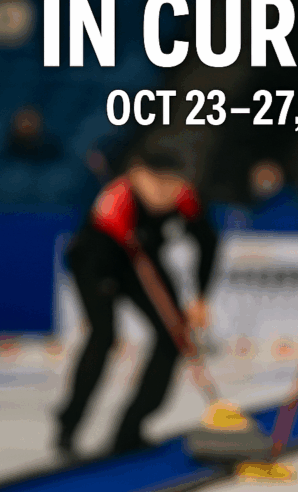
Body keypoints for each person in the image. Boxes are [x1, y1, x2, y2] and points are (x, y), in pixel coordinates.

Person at [55, 149, 218, 456]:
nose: (163, 192)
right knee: (104, 335)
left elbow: (207, 242)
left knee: (174, 334)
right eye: (155, 182)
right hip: (97, 256)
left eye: (171, 183)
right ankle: (69, 423)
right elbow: (107, 250)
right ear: (136, 176)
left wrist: (199, 297)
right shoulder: (116, 200)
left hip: (140, 257)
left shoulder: (185, 197)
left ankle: (130, 428)